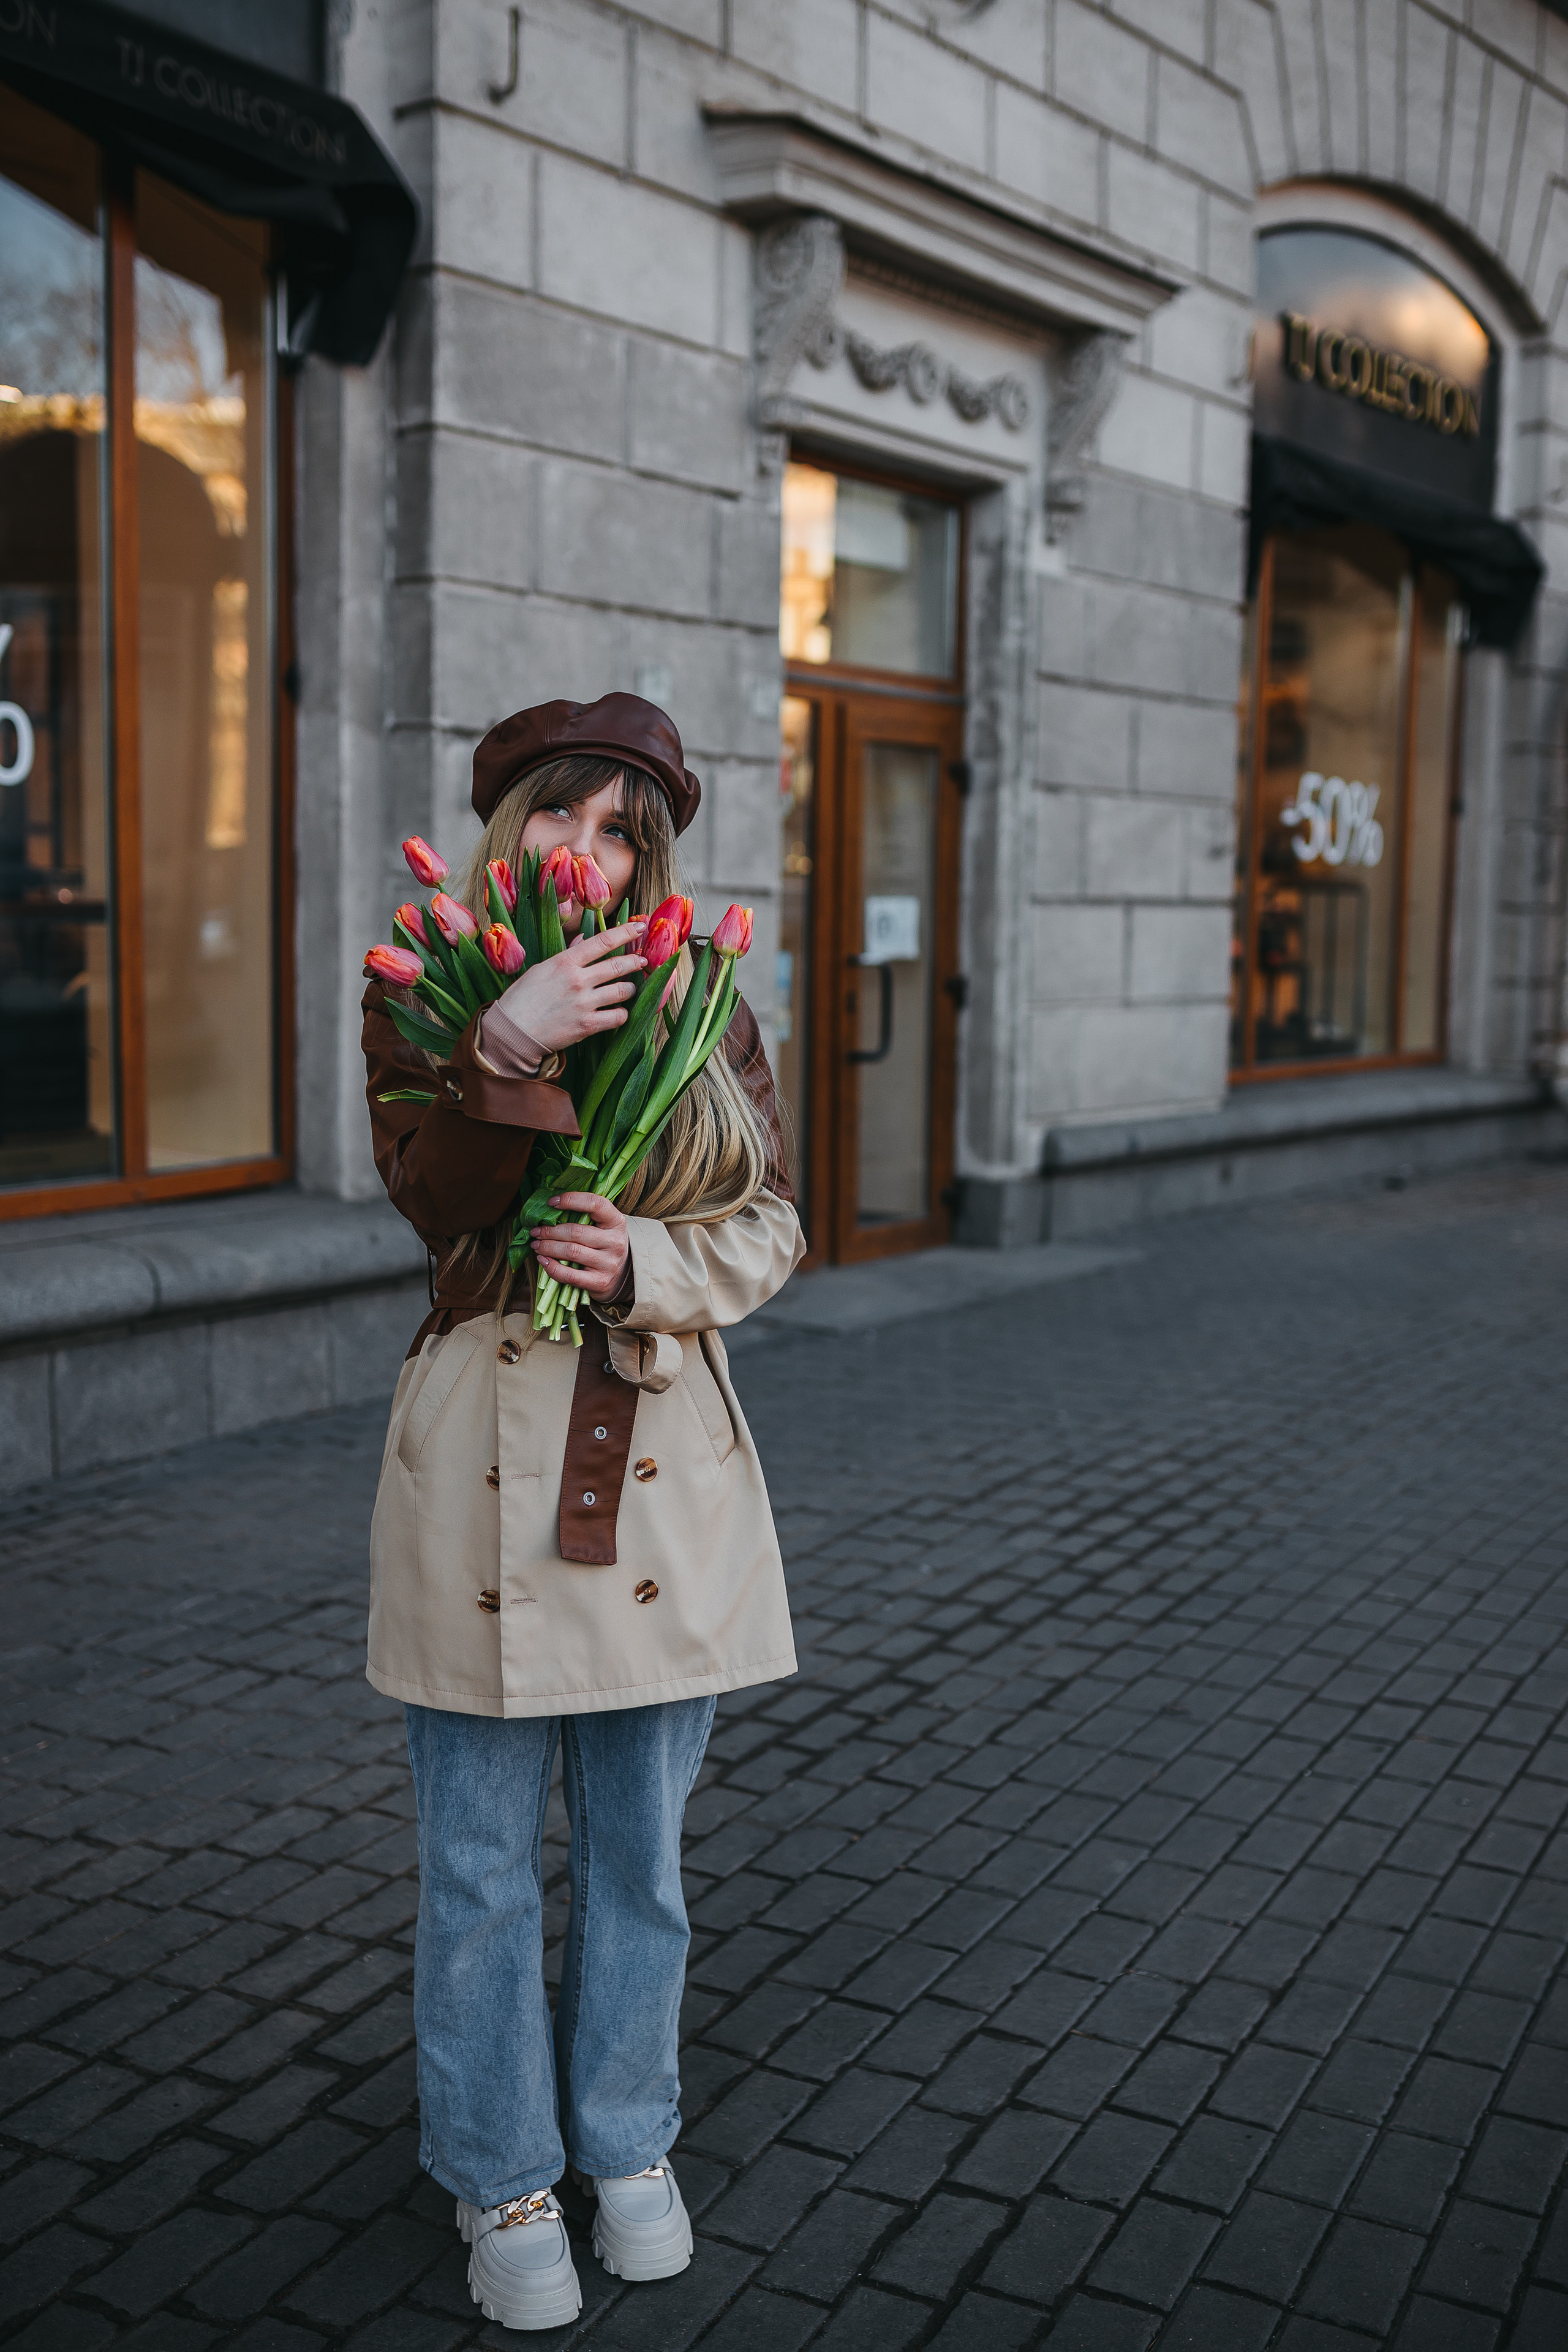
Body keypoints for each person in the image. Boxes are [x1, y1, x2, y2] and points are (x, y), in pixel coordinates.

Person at [360, 695, 804, 2331]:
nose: (592, 852)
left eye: (626, 830)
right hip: (482, 1448)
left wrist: (652, 1266)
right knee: (478, 1866)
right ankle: (502, 2173)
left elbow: (771, 1224)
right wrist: (507, 1043)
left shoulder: (704, 1000)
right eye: (567, 815)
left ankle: (627, 2141)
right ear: (509, 829)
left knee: (641, 1860)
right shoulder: (428, 983)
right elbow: (430, 1194)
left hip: (655, 1469)